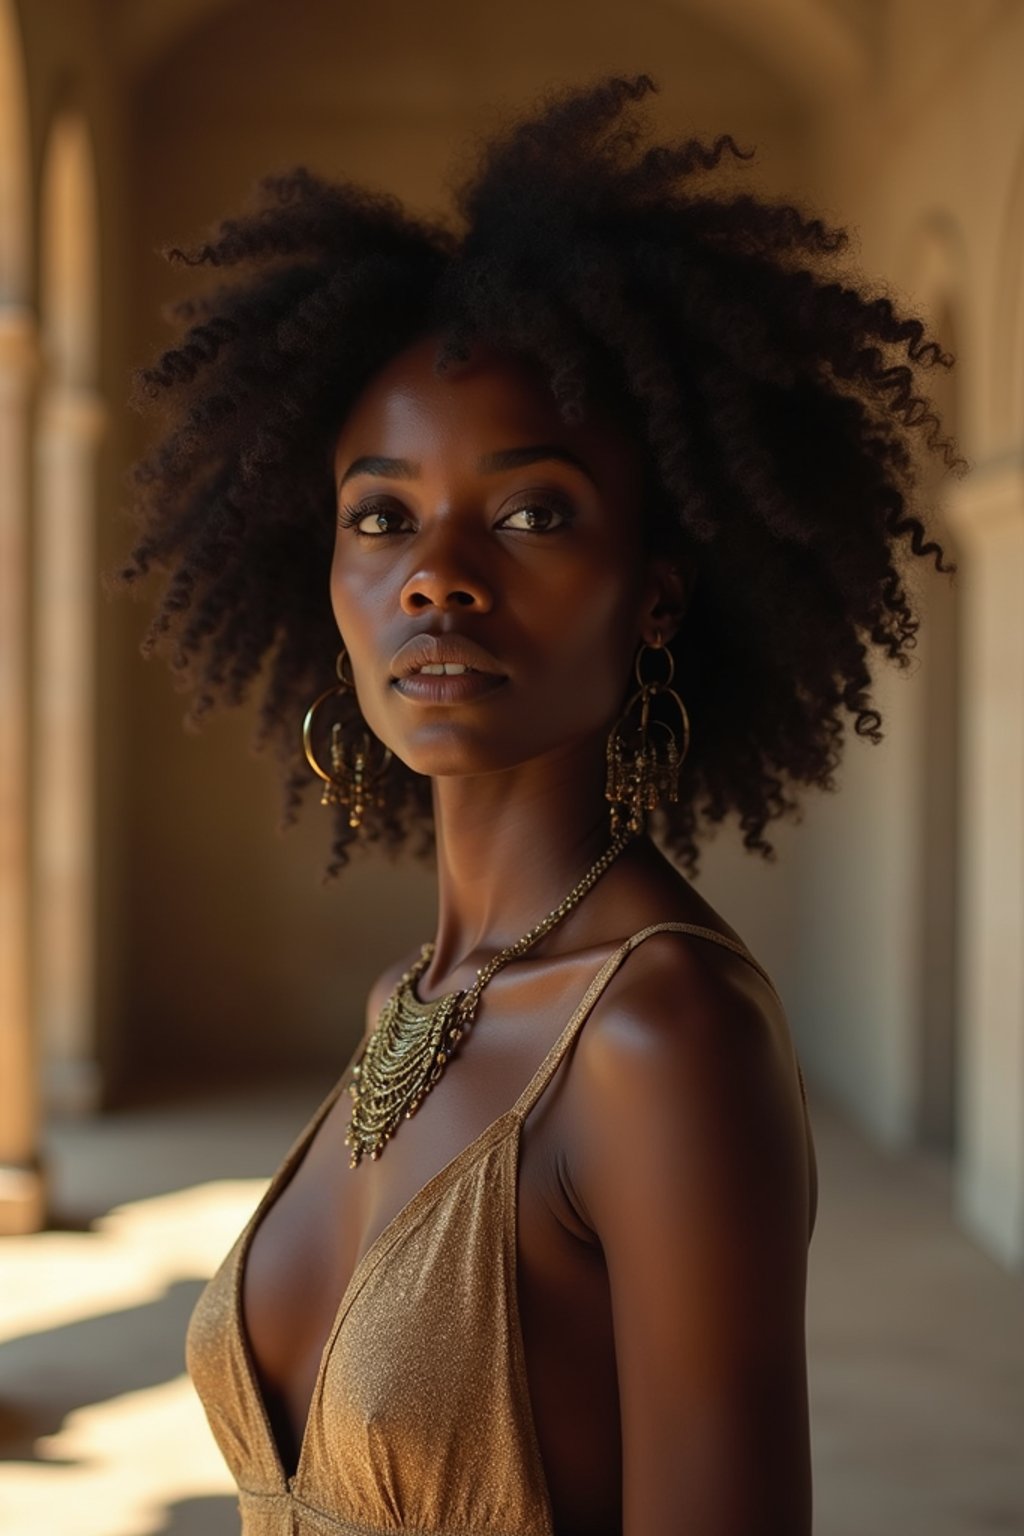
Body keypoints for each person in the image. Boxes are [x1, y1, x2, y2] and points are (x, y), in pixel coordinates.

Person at [117, 73, 959, 1536]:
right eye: (381, 517)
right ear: (322, 583)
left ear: (657, 598)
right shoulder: (408, 998)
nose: (436, 573)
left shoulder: (660, 1034)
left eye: (531, 512)